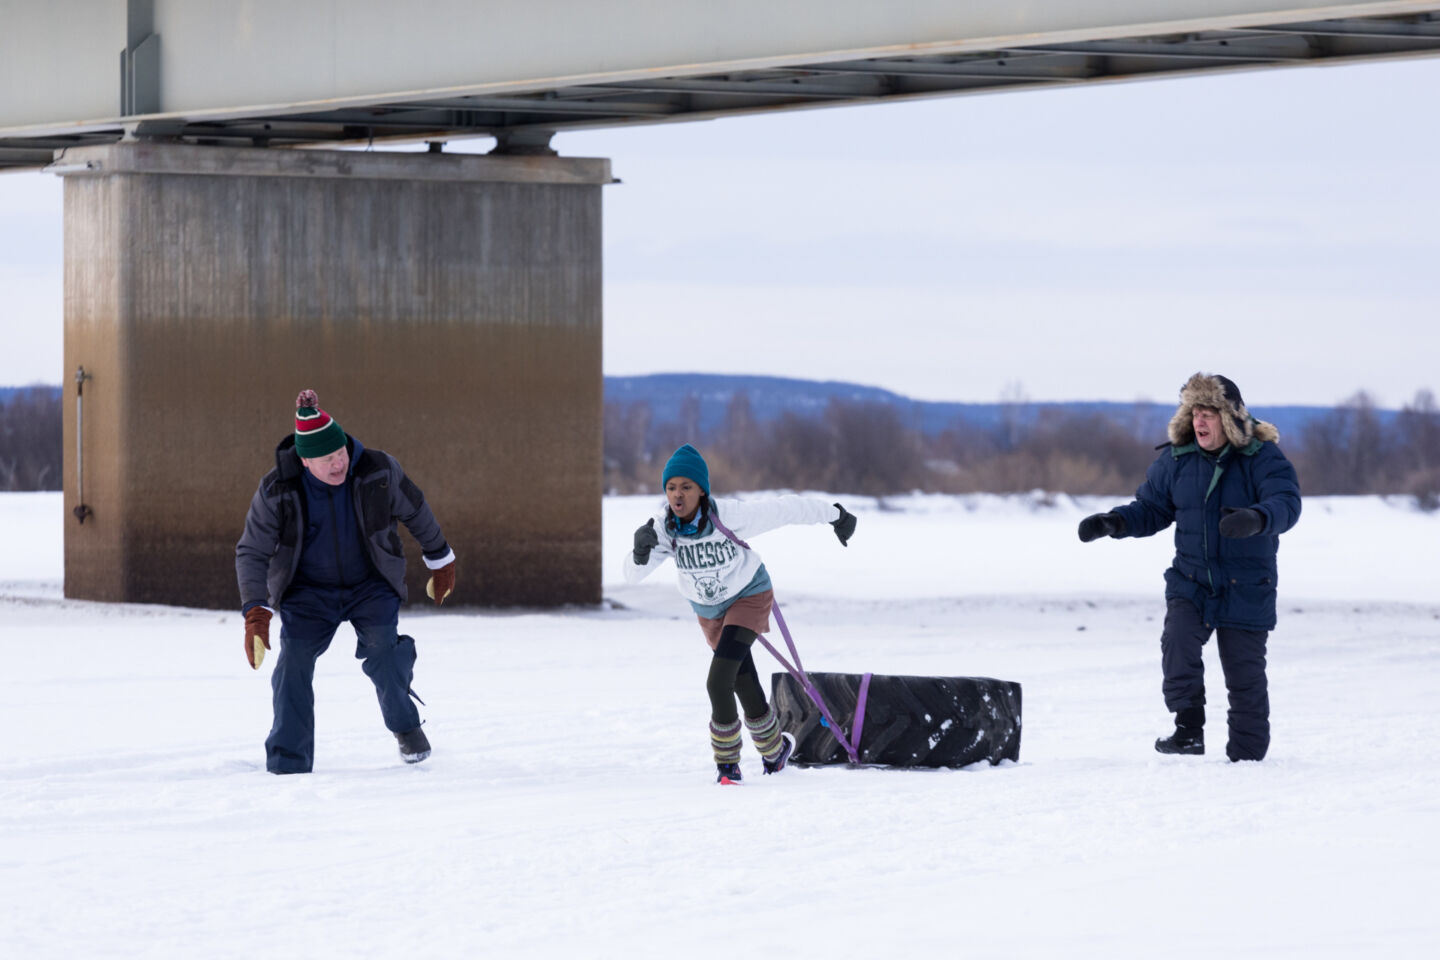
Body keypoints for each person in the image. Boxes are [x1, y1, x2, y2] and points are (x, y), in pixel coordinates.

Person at [1077, 373, 1300, 762]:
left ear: (1229, 417)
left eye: (1209, 412)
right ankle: (1188, 732)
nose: (1200, 420)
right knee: (1177, 642)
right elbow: (1152, 508)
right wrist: (1115, 523)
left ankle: (1248, 759)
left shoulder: (1261, 458)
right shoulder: (1177, 459)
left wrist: (1257, 518)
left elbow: (1286, 502)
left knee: (1244, 677)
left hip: (1246, 583)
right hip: (1192, 580)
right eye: (1195, 411)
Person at [236, 390, 457, 774]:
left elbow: (416, 509)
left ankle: (406, 727)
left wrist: (440, 558)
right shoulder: (277, 489)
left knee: (384, 655)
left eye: (340, 453)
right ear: (306, 461)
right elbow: (252, 551)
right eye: (326, 460)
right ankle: (289, 763)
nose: (338, 463)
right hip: (307, 593)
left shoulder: (378, 470)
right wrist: (256, 610)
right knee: (293, 666)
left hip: (370, 584)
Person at [624, 443, 858, 783]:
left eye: (686, 487)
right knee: (741, 680)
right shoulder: (663, 529)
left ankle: (727, 766)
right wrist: (640, 550)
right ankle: (775, 752)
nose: (677, 495)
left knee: (718, 681)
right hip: (710, 611)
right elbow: (632, 575)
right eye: (671, 487)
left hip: (749, 595)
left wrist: (836, 515)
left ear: (701, 490)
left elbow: (786, 509)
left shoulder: (729, 516)